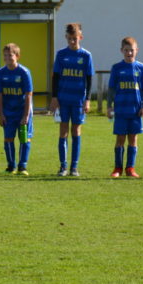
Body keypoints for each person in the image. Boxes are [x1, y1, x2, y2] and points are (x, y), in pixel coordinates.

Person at [50, 23, 93, 177]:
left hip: (78, 101)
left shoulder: (86, 56)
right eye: (69, 39)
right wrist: (54, 97)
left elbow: (89, 79)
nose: (72, 41)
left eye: (75, 39)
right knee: (63, 131)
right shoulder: (61, 54)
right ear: (66, 38)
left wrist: (87, 100)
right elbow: (55, 77)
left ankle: (74, 167)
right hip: (63, 99)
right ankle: (63, 167)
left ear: (80, 37)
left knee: (76, 130)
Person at [107, 37, 143, 178]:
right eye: (126, 50)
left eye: (132, 50)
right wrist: (109, 107)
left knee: (133, 138)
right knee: (120, 139)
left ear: (137, 50)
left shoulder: (141, 68)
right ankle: (117, 168)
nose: (129, 53)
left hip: (135, 110)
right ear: (121, 51)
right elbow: (111, 89)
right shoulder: (117, 68)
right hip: (120, 110)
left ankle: (130, 168)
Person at [0, 43, 33, 176]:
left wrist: (26, 115)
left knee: (24, 138)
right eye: (5, 55)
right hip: (8, 112)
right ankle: (11, 166)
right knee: (8, 138)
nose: (7, 58)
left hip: (23, 111)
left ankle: (22, 167)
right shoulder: (0, 73)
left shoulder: (24, 72)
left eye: (10, 55)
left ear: (17, 56)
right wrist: (1, 115)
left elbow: (29, 94)